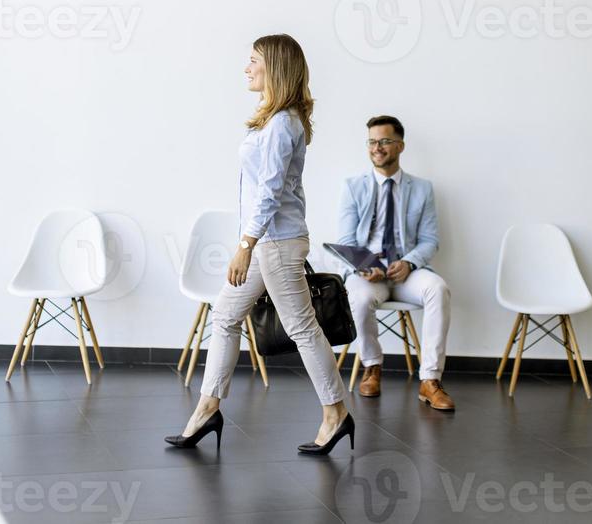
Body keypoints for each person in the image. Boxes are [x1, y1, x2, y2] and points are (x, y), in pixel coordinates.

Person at [165, 34, 354, 454]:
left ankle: (336, 414)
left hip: (276, 243)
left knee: (303, 328)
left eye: (253, 61)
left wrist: (244, 245)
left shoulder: (284, 122)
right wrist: (249, 242)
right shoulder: (274, 120)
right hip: (266, 240)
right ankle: (207, 409)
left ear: (275, 67)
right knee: (226, 316)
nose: (246, 68)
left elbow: (268, 191)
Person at [338, 115, 455, 410]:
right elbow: (347, 241)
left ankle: (430, 380)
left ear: (400, 146)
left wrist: (410, 263)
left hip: (406, 272)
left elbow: (430, 240)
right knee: (358, 297)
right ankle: (372, 367)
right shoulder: (353, 187)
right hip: (368, 273)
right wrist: (365, 265)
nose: (377, 147)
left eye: (385, 141)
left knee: (437, 289)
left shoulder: (422, 188)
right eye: (372, 141)